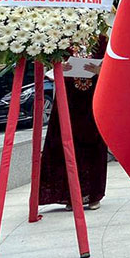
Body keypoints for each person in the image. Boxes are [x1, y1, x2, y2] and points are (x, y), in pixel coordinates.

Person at [38, 38, 108, 210]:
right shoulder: (62, 39)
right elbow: (48, 63)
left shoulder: (101, 39)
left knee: (93, 146)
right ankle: (70, 195)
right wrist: (59, 69)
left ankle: (93, 195)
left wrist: (99, 70)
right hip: (68, 100)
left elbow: (114, 64)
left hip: (93, 100)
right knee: (67, 146)